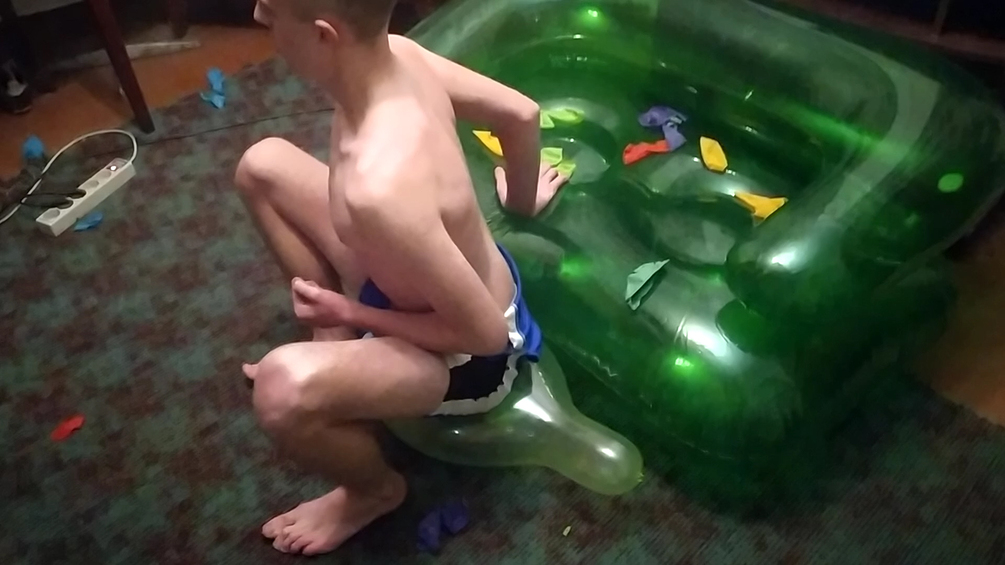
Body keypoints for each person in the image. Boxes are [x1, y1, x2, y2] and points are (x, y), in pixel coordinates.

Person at [234, 0, 567, 556]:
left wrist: (352, 311)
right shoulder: (401, 55)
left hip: (464, 360)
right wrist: (523, 198)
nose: (256, 17)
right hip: (408, 274)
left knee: (279, 390)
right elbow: (522, 113)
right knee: (261, 165)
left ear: (324, 35)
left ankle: (372, 492)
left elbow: (486, 335)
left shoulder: (379, 190)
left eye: (270, 10)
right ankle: (333, 341)